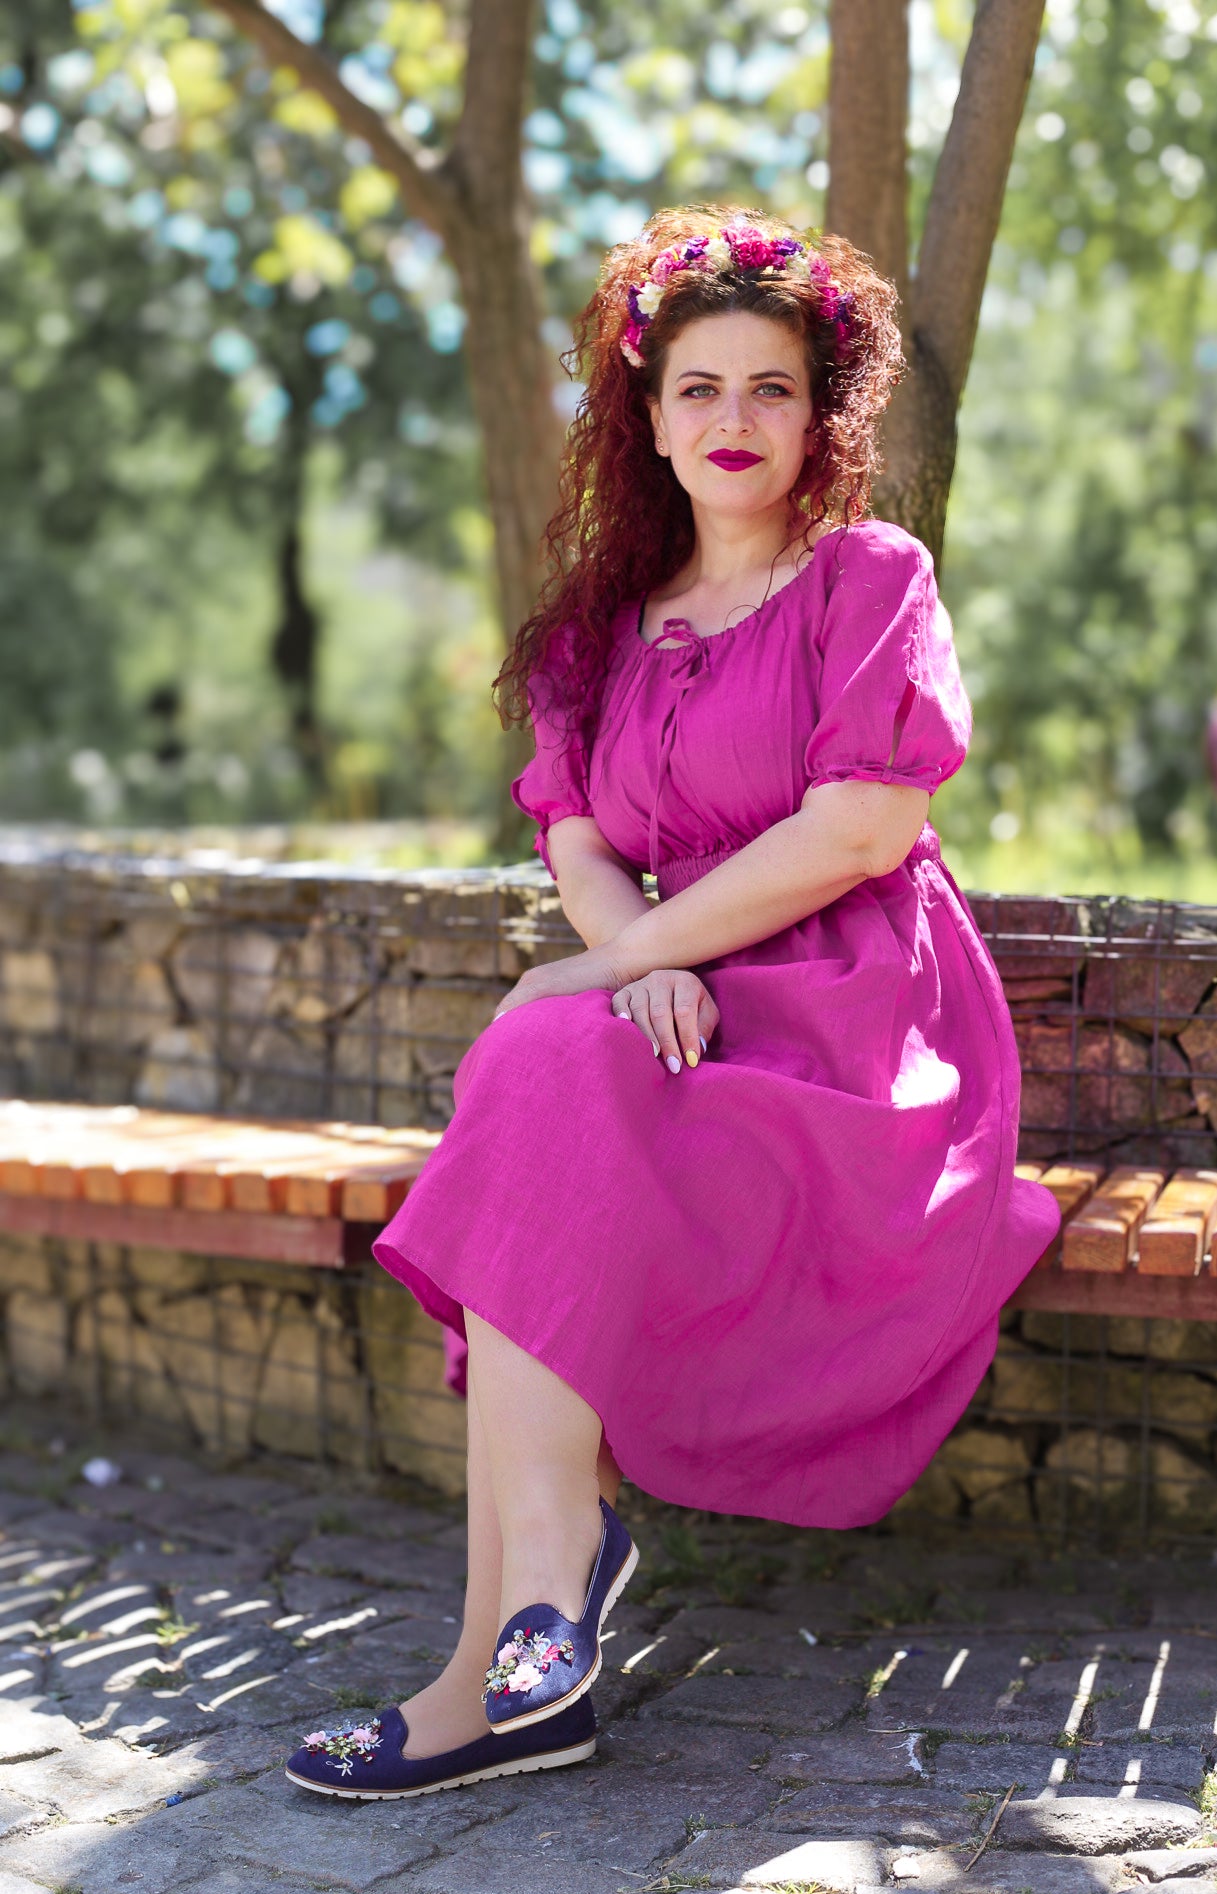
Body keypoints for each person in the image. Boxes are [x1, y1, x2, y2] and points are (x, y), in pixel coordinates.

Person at [285, 205, 1061, 1802]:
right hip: (663, 1015)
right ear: (646, 418)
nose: (733, 422)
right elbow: (581, 849)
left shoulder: (868, 579)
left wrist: (625, 965)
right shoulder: (594, 632)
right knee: (545, 1060)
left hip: (849, 1029)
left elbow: (862, 829)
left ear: (818, 413)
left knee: (531, 1057)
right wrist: (633, 968)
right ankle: (527, 1640)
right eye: (698, 388)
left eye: (771, 389)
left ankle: (498, 1654)